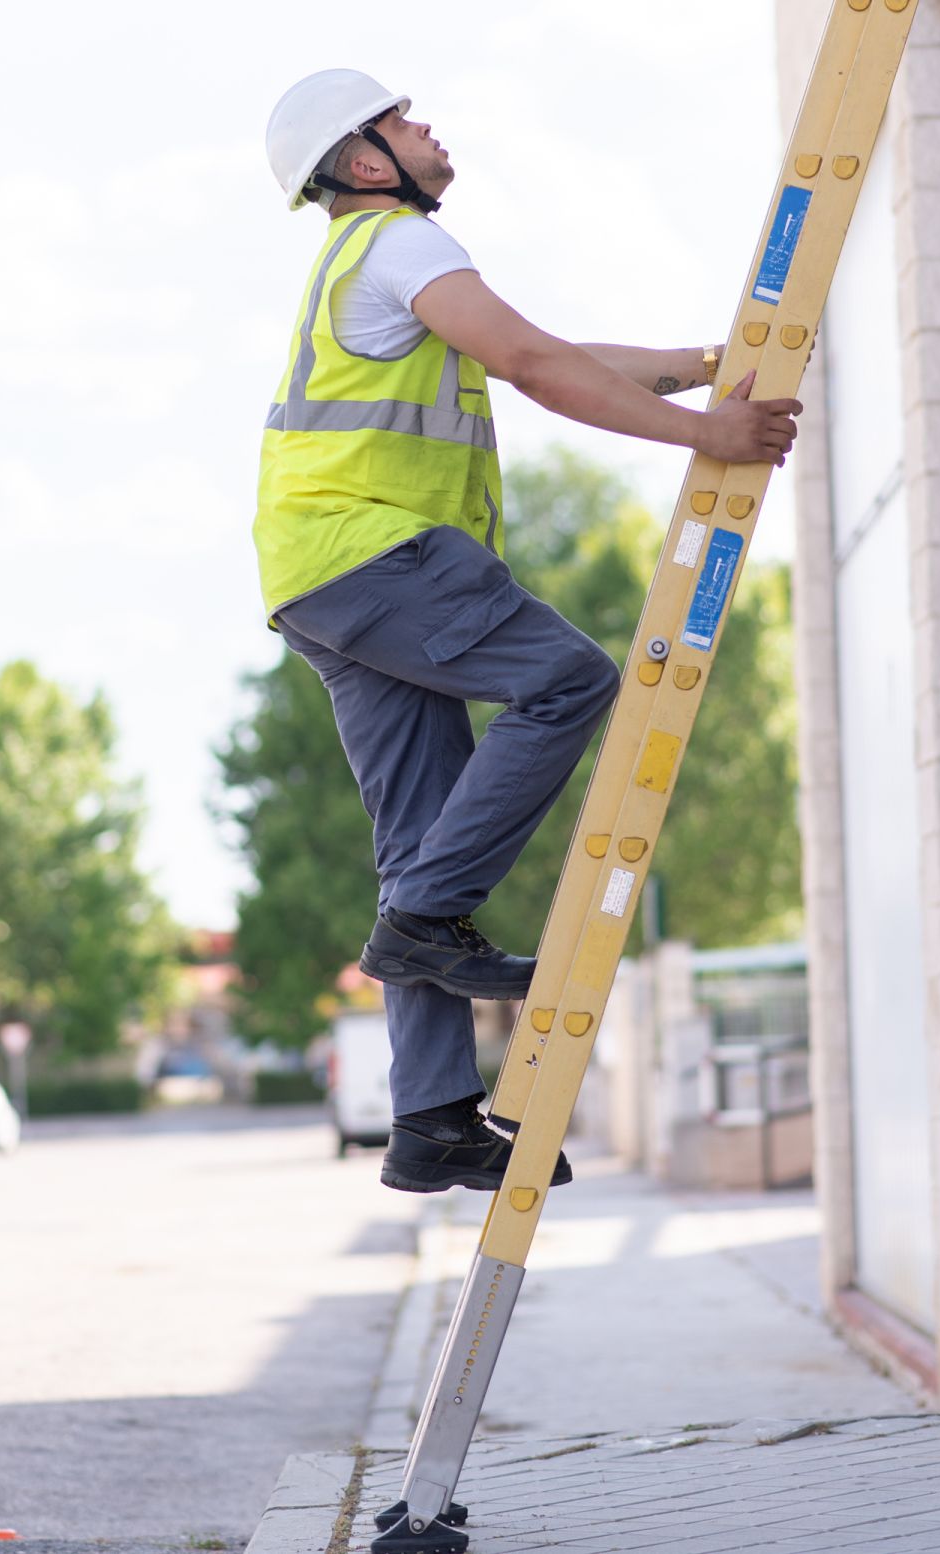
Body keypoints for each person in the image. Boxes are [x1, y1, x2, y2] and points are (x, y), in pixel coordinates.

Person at [257, 70, 800, 1195]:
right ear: (365, 163)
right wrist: (710, 433)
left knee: (416, 843)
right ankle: (422, 926)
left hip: (320, 578)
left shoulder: (365, 265)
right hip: (377, 554)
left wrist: (695, 367)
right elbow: (535, 367)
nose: (427, 128)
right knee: (565, 681)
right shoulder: (400, 245)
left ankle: (432, 1119)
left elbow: (544, 348)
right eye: (402, 120)